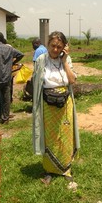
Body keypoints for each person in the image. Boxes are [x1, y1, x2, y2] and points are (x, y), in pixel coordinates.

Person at [32, 31, 80, 184]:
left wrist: (65, 60)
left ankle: (66, 169)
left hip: (65, 104)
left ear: (64, 47)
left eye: (59, 47)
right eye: (53, 45)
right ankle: (49, 171)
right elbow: (36, 82)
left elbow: (72, 80)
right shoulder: (41, 60)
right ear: (48, 45)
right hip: (47, 105)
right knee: (49, 138)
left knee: (65, 137)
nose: (55, 49)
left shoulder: (66, 59)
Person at [0, 31, 24, 127]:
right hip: (6, 79)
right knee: (6, 100)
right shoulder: (9, 49)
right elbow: (20, 54)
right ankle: (5, 119)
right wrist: (13, 62)